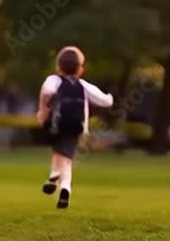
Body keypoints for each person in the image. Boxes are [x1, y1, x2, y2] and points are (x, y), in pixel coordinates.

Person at [36, 46, 114, 209]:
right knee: (65, 157)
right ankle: (61, 184)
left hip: (57, 125)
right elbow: (105, 101)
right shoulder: (83, 85)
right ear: (80, 69)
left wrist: (43, 111)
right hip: (77, 127)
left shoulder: (53, 80)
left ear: (58, 66)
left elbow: (47, 92)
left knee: (60, 155)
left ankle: (58, 180)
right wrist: (110, 97)